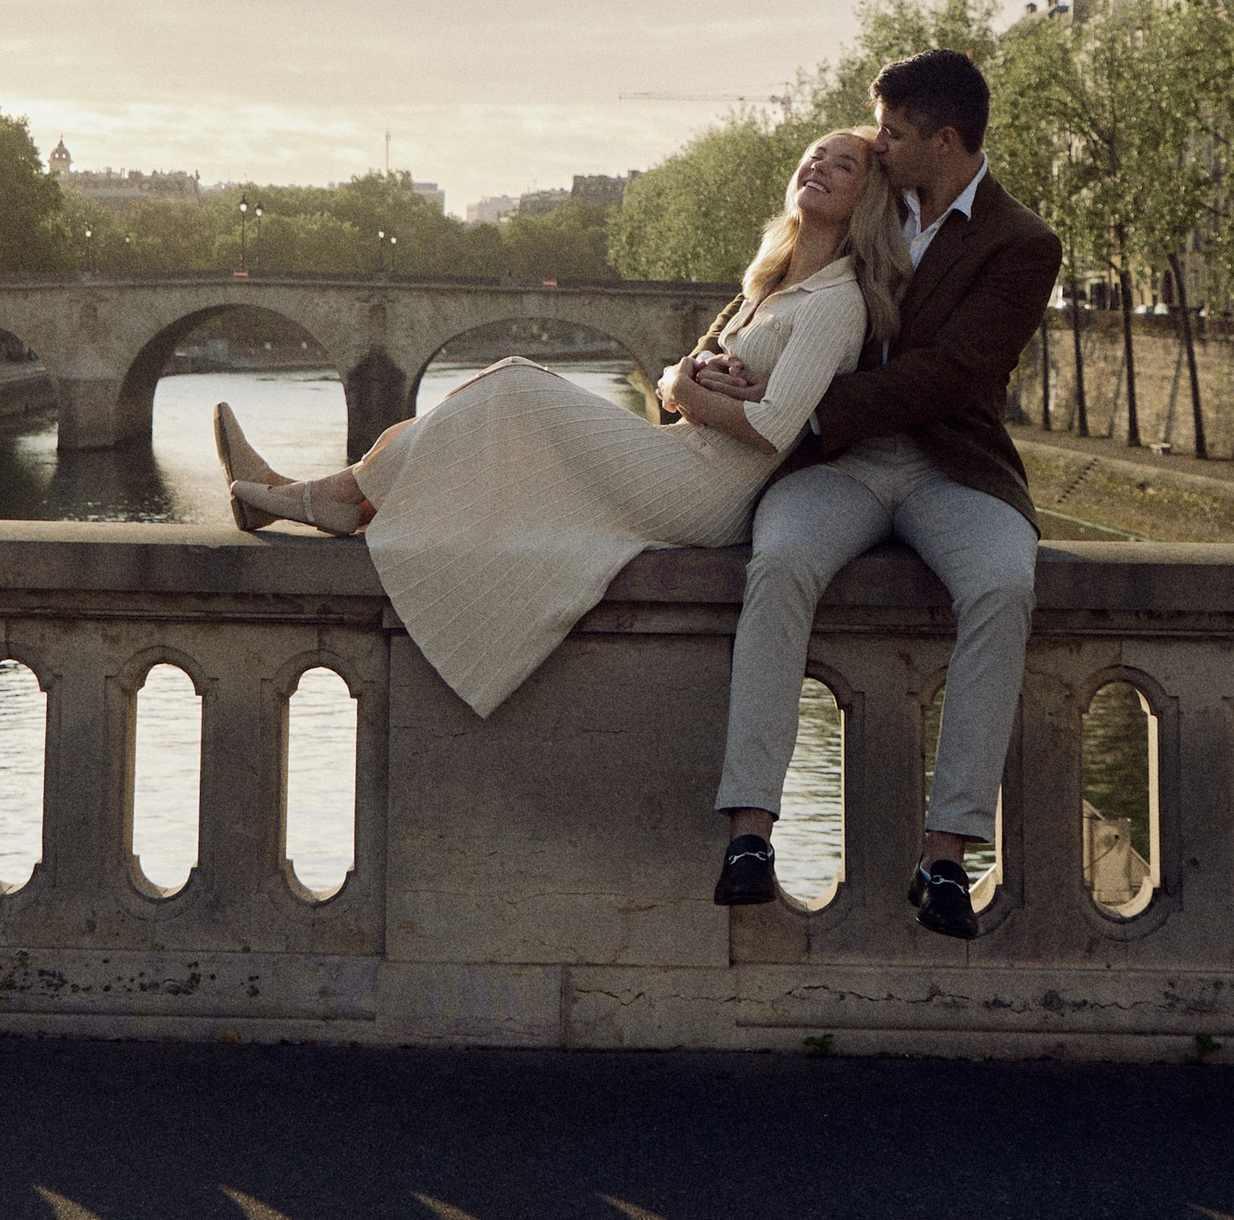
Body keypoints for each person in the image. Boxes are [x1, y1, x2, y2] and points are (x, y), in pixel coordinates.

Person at [213, 132, 908, 723]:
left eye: (841, 164)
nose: (817, 167)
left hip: (709, 490)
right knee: (490, 413)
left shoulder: (837, 301)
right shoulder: (770, 283)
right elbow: (685, 384)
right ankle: (329, 494)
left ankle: (324, 498)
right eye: (812, 156)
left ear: (865, 198)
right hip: (682, 454)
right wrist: (680, 379)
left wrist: (692, 394)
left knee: (513, 383)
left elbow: (778, 427)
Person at [699, 48, 1060, 941]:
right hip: (837, 472)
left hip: (950, 467)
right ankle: (751, 833)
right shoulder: (866, 195)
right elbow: (779, 278)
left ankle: (947, 852)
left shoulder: (1024, 244)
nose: (878, 144)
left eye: (895, 134)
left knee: (1004, 587)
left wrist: (804, 411)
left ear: (944, 139)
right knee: (779, 562)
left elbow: (956, 373)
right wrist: (711, 357)